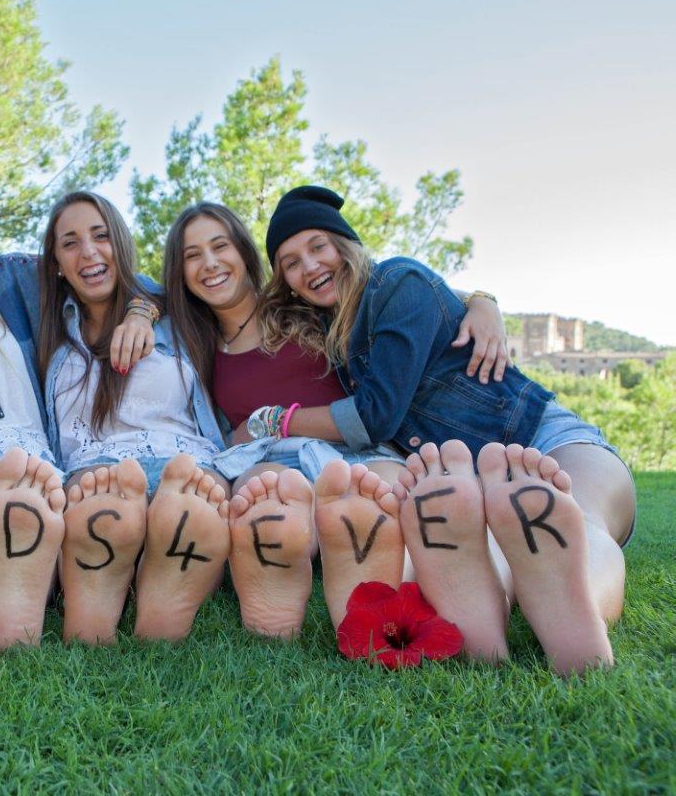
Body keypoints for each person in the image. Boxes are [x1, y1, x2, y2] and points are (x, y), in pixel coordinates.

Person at [256, 185, 632, 673]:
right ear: (284, 280)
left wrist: (274, 420)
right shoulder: (339, 332)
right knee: (499, 541)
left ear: (344, 244)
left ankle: (571, 611)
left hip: (540, 436)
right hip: (461, 482)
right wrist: (480, 298)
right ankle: (488, 605)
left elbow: (376, 415)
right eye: (289, 262)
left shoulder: (395, 281)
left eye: (317, 247)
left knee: (573, 516)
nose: (307, 266)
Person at [162, 201, 508, 639]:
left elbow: (398, 297)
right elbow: (136, 296)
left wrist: (481, 301)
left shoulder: (301, 304)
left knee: (383, 495)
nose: (209, 263)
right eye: (193, 255)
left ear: (244, 253)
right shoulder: (191, 343)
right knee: (269, 497)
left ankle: (392, 596)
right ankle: (284, 571)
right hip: (268, 455)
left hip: (354, 448)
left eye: (219, 246)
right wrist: (140, 312)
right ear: (180, 272)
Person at [0, 171, 156, 651]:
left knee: (56, 517)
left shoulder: (20, 279)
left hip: (25, 458)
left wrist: (141, 312)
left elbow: (116, 275)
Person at [39, 191, 230, 644]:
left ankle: (150, 576)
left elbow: (206, 281)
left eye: (101, 236)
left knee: (191, 503)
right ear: (54, 263)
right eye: (70, 243)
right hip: (96, 470)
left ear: (121, 243)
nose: (88, 252)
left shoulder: (177, 312)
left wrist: (143, 308)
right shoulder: (43, 324)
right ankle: (137, 572)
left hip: (183, 462)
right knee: (104, 507)